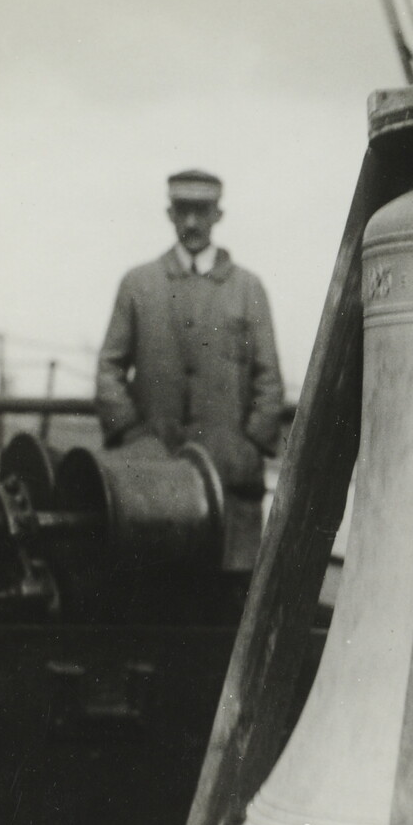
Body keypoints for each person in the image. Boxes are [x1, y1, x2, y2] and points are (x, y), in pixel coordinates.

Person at [96, 170, 285, 603]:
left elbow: (269, 381)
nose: (193, 223)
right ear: (169, 214)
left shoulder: (247, 288)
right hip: (153, 481)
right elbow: (108, 371)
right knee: (155, 594)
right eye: (183, 211)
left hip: (227, 476)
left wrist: (248, 445)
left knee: (225, 600)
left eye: (202, 211)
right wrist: (131, 438)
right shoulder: (139, 284)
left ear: (219, 214)